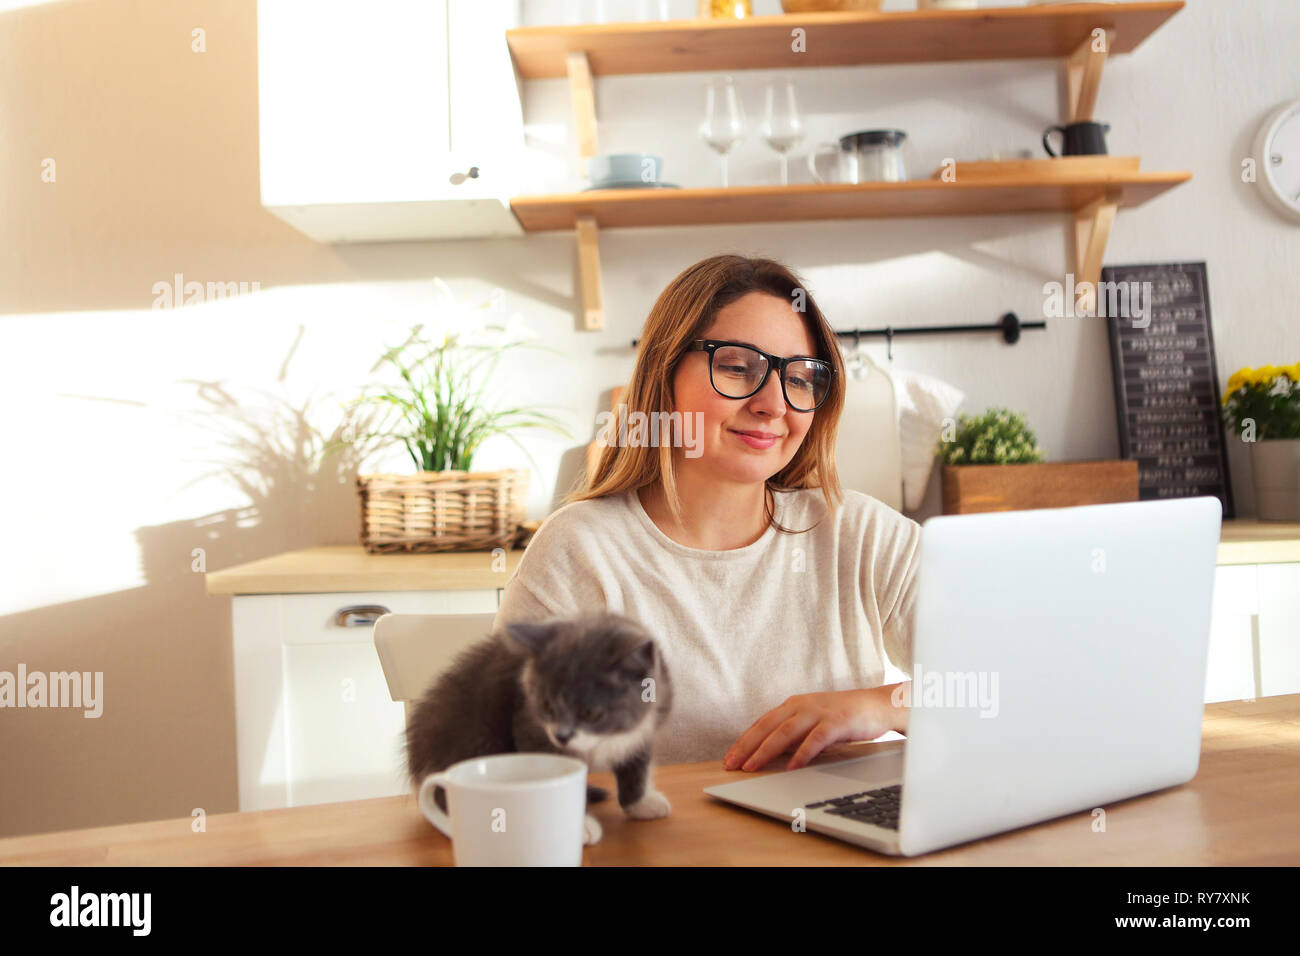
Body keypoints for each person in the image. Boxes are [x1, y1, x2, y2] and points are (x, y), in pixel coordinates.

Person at [493, 254, 919, 772]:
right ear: (664, 374)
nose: (774, 404)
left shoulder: (863, 535)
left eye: (802, 378)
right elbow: (504, 759)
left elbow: (1010, 680)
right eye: (738, 368)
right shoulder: (579, 553)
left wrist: (882, 705)